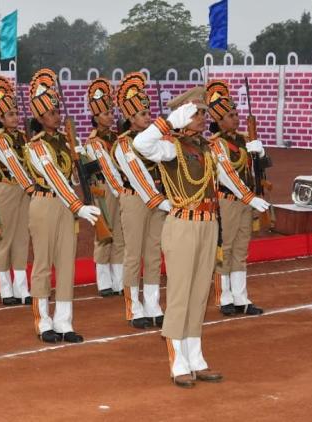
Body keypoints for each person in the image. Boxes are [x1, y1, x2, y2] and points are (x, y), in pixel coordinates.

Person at [132, 86, 270, 388]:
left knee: (199, 295)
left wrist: (249, 197)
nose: (202, 118)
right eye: (196, 113)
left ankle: (195, 358)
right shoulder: (171, 146)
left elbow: (226, 175)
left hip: (208, 224)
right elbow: (141, 143)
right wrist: (169, 122)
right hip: (183, 224)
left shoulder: (207, 147)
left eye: (202, 113)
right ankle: (177, 362)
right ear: (182, 115)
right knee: (181, 293)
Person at [24, 68, 101, 343]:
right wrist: (78, 205)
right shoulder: (36, 146)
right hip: (46, 203)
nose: (57, 116)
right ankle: (43, 321)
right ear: (39, 118)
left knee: (66, 263)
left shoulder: (64, 142)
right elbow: (54, 177)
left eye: (57, 111)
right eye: (51, 112)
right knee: (43, 263)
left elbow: (69, 176)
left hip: (66, 204)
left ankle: (64, 322)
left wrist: (78, 154)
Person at [111, 72, 169, 329]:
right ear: (130, 118)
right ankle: (134, 307)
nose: (148, 117)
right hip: (135, 200)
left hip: (159, 200)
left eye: (149, 113)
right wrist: (158, 199)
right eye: (143, 114)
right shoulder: (123, 144)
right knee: (133, 254)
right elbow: (137, 175)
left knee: (154, 253)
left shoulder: (156, 140)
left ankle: (153, 305)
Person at [205, 80, 266, 317]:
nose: (236, 119)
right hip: (228, 200)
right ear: (219, 121)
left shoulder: (244, 139)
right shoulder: (216, 144)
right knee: (226, 248)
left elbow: (257, 168)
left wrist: (260, 151)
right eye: (230, 116)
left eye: (236, 114)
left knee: (241, 249)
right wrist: (249, 197)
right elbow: (227, 174)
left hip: (246, 200)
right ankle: (224, 297)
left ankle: (241, 298)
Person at [0, 75, 33, 306]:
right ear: (1, 118)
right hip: (6, 189)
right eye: (10, 114)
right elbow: (14, 165)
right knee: (3, 237)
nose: (15, 117)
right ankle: (5, 289)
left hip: (25, 190)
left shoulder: (24, 137)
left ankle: (22, 288)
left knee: (22, 238)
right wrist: (32, 187)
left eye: (16, 113)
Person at [84, 78, 125, 297]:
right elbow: (107, 169)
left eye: (112, 112)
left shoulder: (117, 138)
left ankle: (119, 281)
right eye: (106, 113)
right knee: (104, 233)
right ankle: (104, 282)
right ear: (96, 117)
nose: (111, 116)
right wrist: (121, 190)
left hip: (118, 187)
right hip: (105, 189)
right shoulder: (94, 142)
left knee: (120, 234)